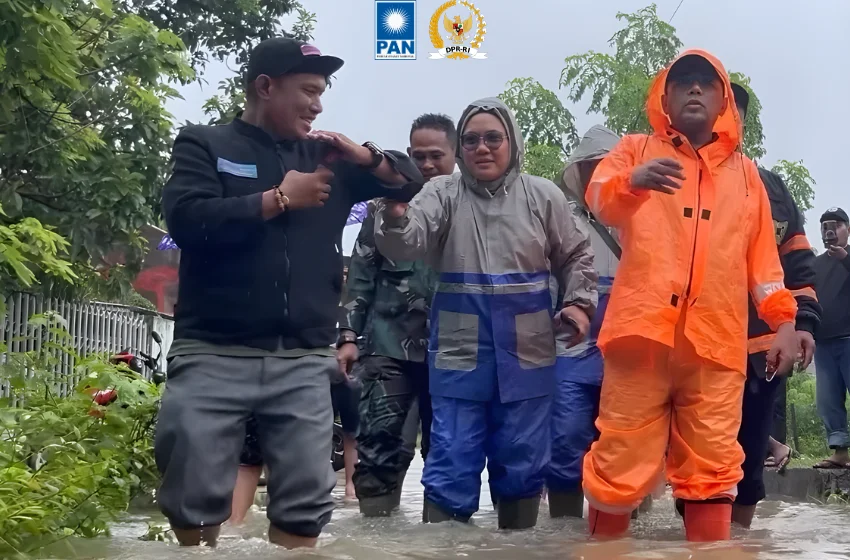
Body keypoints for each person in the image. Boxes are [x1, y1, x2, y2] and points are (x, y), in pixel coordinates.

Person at [157, 37, 423, 548]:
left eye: (322, 93)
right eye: (308, 91)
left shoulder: (328, 158)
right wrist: (278, 199)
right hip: (213, 349)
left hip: (303, 357)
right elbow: (187, 220)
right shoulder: (205, 144)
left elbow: (408, 182)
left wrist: (365, 155)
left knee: (305, 502)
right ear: (265, 86)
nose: (317, 105)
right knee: (191, 489)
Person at [581, 49, 799, 542]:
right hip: (641, 338)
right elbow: (598, 198)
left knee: (713, 464)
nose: (694, 89)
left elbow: (764, 265)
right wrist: (632, 182)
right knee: (618, 459)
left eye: (706, 82)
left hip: (717, 346)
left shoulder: (748, 176)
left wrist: (784, 322)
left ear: (724, 100)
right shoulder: (635, 149)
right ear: (665, 97)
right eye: (683, 82)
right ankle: (601, 550)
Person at [375, 97, 598, 530]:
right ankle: (444, 547)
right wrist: (396, 215)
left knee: (523, 459)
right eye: (472, 140)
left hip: (528, 347)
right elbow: (407, 242)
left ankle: (515, 546)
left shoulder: (543, 195)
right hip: (460, 345)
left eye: (493, 138)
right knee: (451, 454)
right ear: (460, 148)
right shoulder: (442, 193)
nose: (482, 148)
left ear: (512, 142)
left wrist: (577, 304)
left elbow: (576, 255)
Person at [339, 114, 456, 517]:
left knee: (448, 448)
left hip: (452, 349)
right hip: (388, 346)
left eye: (436, 155)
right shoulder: (381, 208)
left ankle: (441, 537)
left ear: (455, 155)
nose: (427, 164)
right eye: (418, 156)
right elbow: (360, 276)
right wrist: (348, 337)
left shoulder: (466, 208)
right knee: (379, 444)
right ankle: (376, 533)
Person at [725, 83, 822, 528]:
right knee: (698, 461)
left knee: (749, 457)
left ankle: (736, 546)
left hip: (761, 349)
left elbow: (798, 264)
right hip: (696, 350)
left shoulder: (773, 189)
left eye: (737, 114)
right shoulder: (682, 181)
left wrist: (804, 324)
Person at [812, 207, 850, 469]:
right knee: (828, 400)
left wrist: (845, 259)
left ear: (847, 229)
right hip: (823, 343)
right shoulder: (815, 265)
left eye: (836, 225)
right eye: (825, 226)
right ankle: (840, 452)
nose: (830, 231)